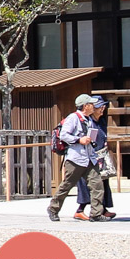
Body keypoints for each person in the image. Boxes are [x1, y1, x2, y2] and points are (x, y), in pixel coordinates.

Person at [47, 93, 106, 222]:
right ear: (85, 106)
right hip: (76, 159)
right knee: (67, 185)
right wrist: (79, 139)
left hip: (90, 158)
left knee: (97, 185)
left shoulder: (89, 119)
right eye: (91, 104)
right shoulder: (73, 118)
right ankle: (53, 208)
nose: (94, 106)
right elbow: (64, 135)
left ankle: (96, 214)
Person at [76, 98, 116, 220]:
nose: (102, 109)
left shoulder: (101, 121)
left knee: (103, 182)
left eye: (103, 106)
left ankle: (103, 209)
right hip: (90, 157)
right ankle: (80, 210)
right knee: (90, 184)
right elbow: (90, 141)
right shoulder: (89, 123)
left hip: (101, 156)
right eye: (99, 107)